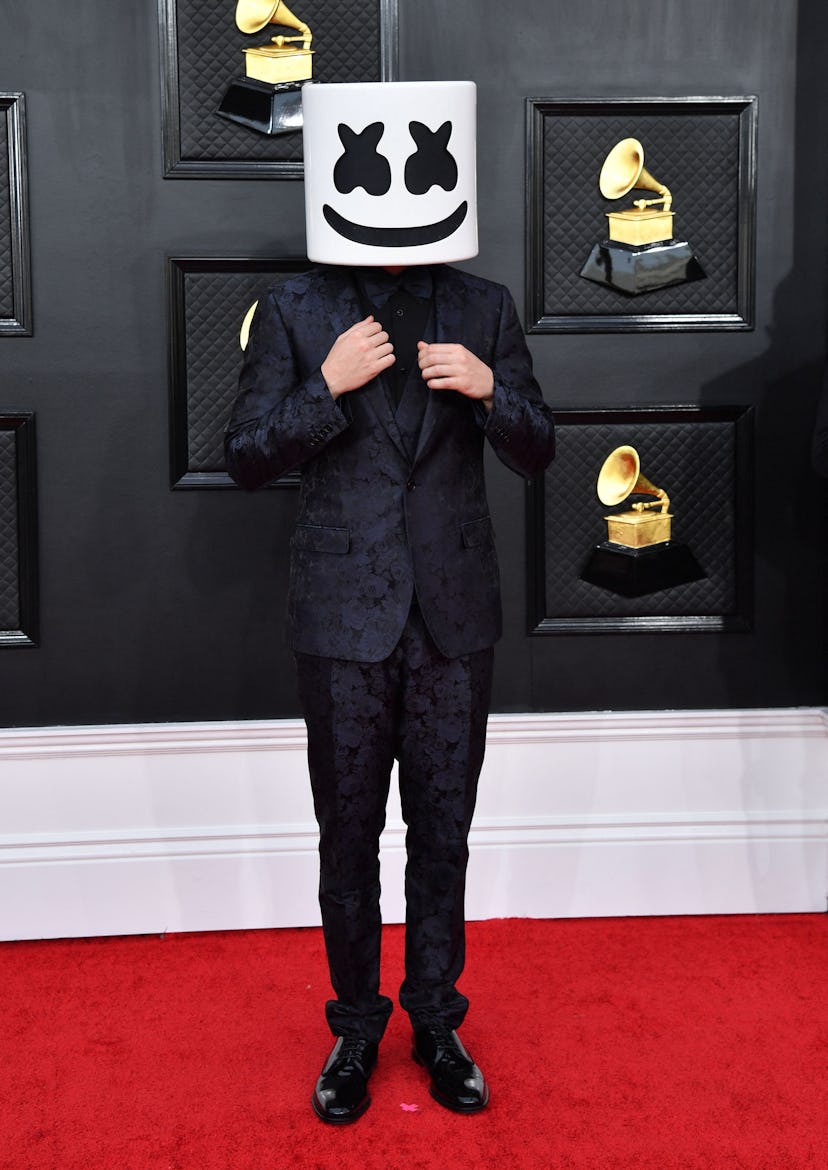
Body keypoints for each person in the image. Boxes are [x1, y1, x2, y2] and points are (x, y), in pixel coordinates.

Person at [224, 81, 556, 1124]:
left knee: (445, 833)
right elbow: (243, 458)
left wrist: (491, 391)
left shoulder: (485, 307)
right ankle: (356, 1032)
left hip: (456, 619)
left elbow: (540, 449)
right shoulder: (295, 309)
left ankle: (438, 1021)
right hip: (343, 620)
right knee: (348, 837)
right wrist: (323, 388)